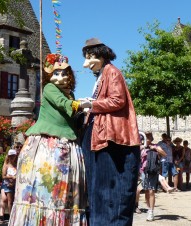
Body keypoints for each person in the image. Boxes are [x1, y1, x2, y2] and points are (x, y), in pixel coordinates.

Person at [8, 53, 87, 226]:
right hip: (48, 143)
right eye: (56, 73)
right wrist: (81, 104)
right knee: (46, 188)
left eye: (65, 73)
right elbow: (62, 104)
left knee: (63, 193)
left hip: (68, 142)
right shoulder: (50, 89)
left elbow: (72, 115)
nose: (61, 77)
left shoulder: (71, 94)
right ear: (50, 75)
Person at [80, 38, 141, 226]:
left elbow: (117, 100)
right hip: (99, 134)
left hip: (110, 136)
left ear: (100, 54)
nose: (85, 64)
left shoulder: (112, 72)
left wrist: (91, 104)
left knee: (109, 187)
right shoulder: (101, 76)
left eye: (89, 57)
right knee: (98, 187)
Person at [139, 132, 166, 221]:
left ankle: (151, 211)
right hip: (143, 171)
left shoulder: (156, 146)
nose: (147, 138)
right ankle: (149, 208)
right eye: (146, 137)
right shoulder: (141, 147)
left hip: (152, 172)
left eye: (149, 137)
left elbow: (164, 154)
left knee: (151, 191)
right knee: (146, 191)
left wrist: (154, 148)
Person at [0, 149, 17, 223]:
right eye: (11, 156)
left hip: (13, 185)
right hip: (6, 184)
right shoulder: (6, 165)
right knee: (4, 199)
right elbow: (3, 176)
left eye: (13, 156)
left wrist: (14, 179)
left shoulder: (17, 165)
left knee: (10, 201)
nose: (12, 157)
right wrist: (11, 177)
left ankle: (10, 217)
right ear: (8, 156)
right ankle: (2, 216)